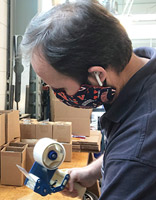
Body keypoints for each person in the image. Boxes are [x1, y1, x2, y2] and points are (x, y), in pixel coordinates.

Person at [20, 0, 156, 199]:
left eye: (60, 88)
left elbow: (133, 153)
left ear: (97, 76)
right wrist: (92, 171)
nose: (58, 95)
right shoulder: (142, 72)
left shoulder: (135, 153)